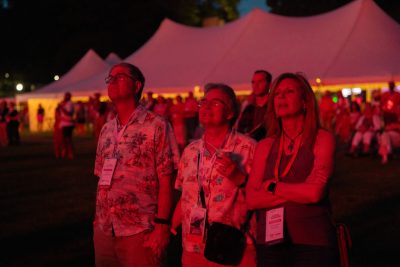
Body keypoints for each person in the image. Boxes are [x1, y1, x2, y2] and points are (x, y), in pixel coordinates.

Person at [246, 73, 339, 267]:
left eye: (289, 92)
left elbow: (315, 193)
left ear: (305, 101)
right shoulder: (265, 146)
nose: (281, 97)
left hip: (313, 241)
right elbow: (252, 199)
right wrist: (299, 191)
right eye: (277, 93)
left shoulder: (321, 139)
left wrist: (271, 186)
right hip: (270, 243)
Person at [93, 62, 177, 267]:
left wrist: (162, 225)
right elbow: (100, 177)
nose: (112, 81)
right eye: (110, 78)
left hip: (140, 228)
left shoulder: (156, 125)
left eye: (119, 77)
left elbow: (167, 178)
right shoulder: (106, 129)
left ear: (137, 85)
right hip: (105, 227)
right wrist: (97, 219)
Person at [171, 83, 257, 267]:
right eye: (204, 102)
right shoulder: (190, 151)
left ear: (230, 113)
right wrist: (168, 228)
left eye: (216, 103)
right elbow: (185, 197)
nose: (207, 107)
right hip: (193, 248)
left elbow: (261, 197)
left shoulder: (248, 148)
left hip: (232, 248)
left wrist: (239, 177)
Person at [236, 70, 272, 141]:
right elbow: (240, 130)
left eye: (260, 82)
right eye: (253, 82)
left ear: (269, 84)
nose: (255, 85)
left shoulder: (274, 107)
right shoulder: (248, 108)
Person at [59, 92, 75, 159]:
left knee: (68, 139)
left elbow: (69, 113)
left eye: (66, 96)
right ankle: (65, 152)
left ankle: (70, 153)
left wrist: (62, 107)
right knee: (64, 139)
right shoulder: (64, 103)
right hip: (63, 124)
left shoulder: (70, 104)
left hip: (68, 124)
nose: (64, 97)